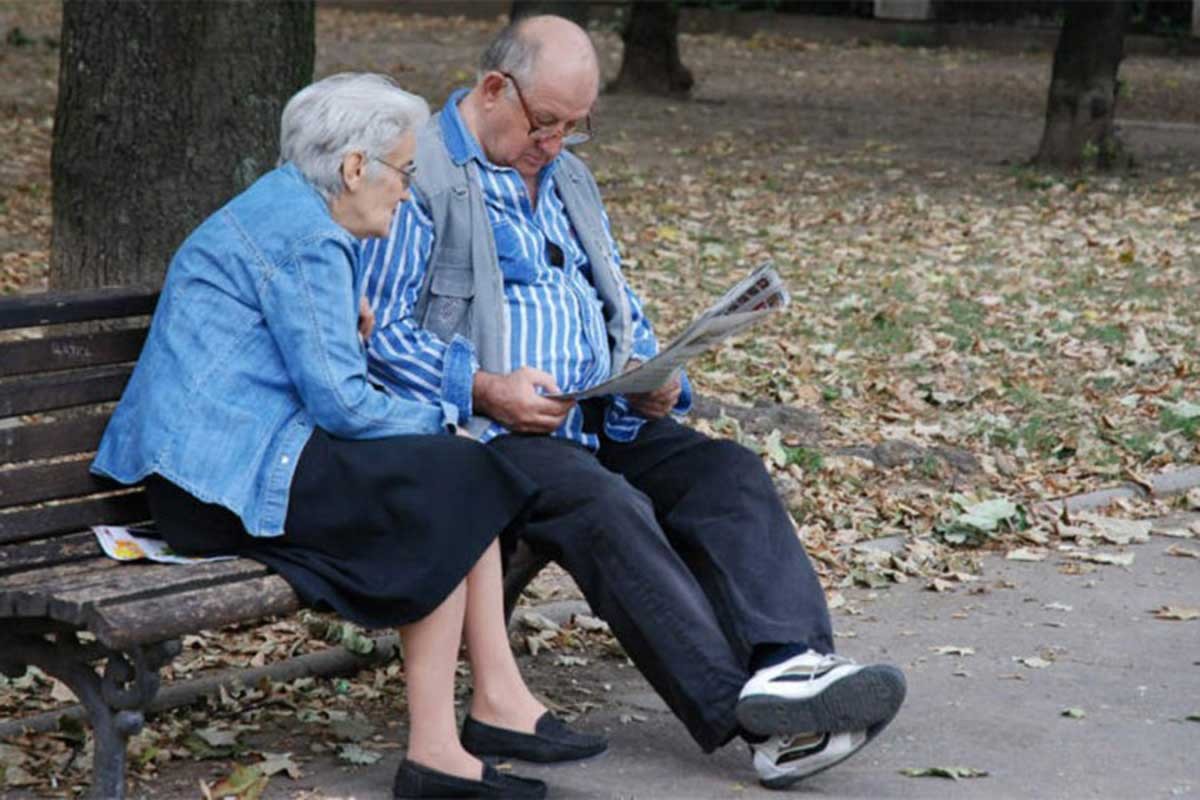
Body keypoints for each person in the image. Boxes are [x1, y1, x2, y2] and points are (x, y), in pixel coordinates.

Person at [360, 16, 907, 790]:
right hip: (489, 436)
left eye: (573, 128)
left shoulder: (567, 176)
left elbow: (614, 298)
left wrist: (657, 374)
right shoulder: (423, 176)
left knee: (726, 473)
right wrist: (485, 387)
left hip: (598, 414)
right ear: (492, 90)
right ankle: (750, 720)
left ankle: (795, 669)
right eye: (544, 124)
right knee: (605, 506)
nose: (555, 145)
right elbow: (376, 337)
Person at [91, 72, 606, 800]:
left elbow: (302, 369)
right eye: (401, 170)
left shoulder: (290, 211)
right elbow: (343, 406)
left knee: (459, 477)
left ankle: (491, 705)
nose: (406, 189)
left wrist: (354, 341)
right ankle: (440, 751)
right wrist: (446, 420)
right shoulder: (309, 237)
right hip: (217, 486)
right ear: (354, 167)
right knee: (453, 473)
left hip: (228, 461)